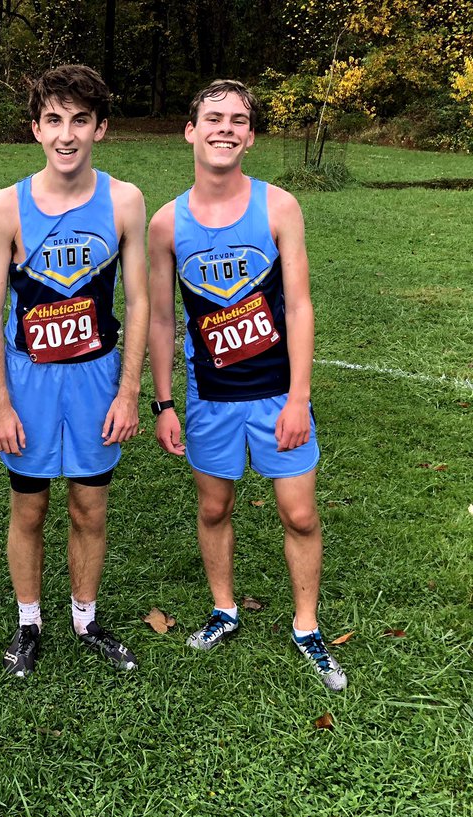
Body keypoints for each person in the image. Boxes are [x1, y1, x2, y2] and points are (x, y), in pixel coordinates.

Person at [147, 79, 346, 692]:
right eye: (213, 117)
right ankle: (224, 609)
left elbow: (301, 307)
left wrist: (299, 399)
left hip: (277, 397)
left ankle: (306, 626)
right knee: (214, 506)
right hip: (210, 401)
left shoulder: (279, 207)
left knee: (300, 512)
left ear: (251, 137)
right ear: (191, 130)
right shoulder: (165, 224)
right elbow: (159, 318)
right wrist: (163, 402)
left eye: (238, 120)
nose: (224, 128)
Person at [0, 64, 149, 678]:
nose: (67, 134)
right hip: (29, 382)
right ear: (36, 129)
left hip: (96, 379)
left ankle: (85, 616)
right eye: (54, 120)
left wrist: (130, 392)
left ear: (100, 127)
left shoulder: (125, 200)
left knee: (89, 508)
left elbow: (140, 302)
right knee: (29, 509)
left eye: (80, 120)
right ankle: (29, 622)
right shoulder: (7, 206)